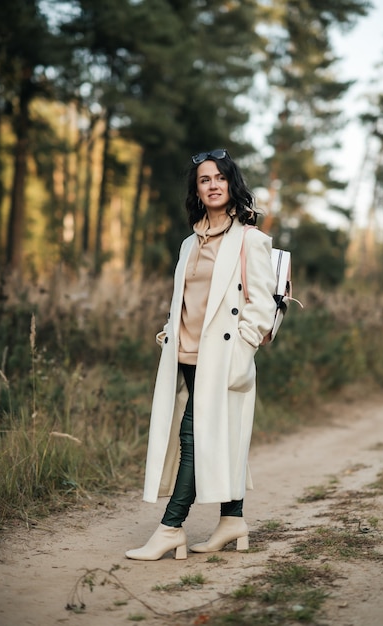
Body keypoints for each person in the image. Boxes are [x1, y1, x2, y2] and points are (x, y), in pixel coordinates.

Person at [125, 148, 276, 561]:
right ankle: (233, 520)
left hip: (223, 359)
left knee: (192, 437)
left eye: (219, 178)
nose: (212, 185)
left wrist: (242, 349)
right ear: (197, 189)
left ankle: (171, 528)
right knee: (217, 433)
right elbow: (184, 301)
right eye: (204, 180)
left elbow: (261, 306)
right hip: (184, 356)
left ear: (232, 184)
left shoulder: (250, 240)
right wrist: (168, 334)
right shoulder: (188, 243)